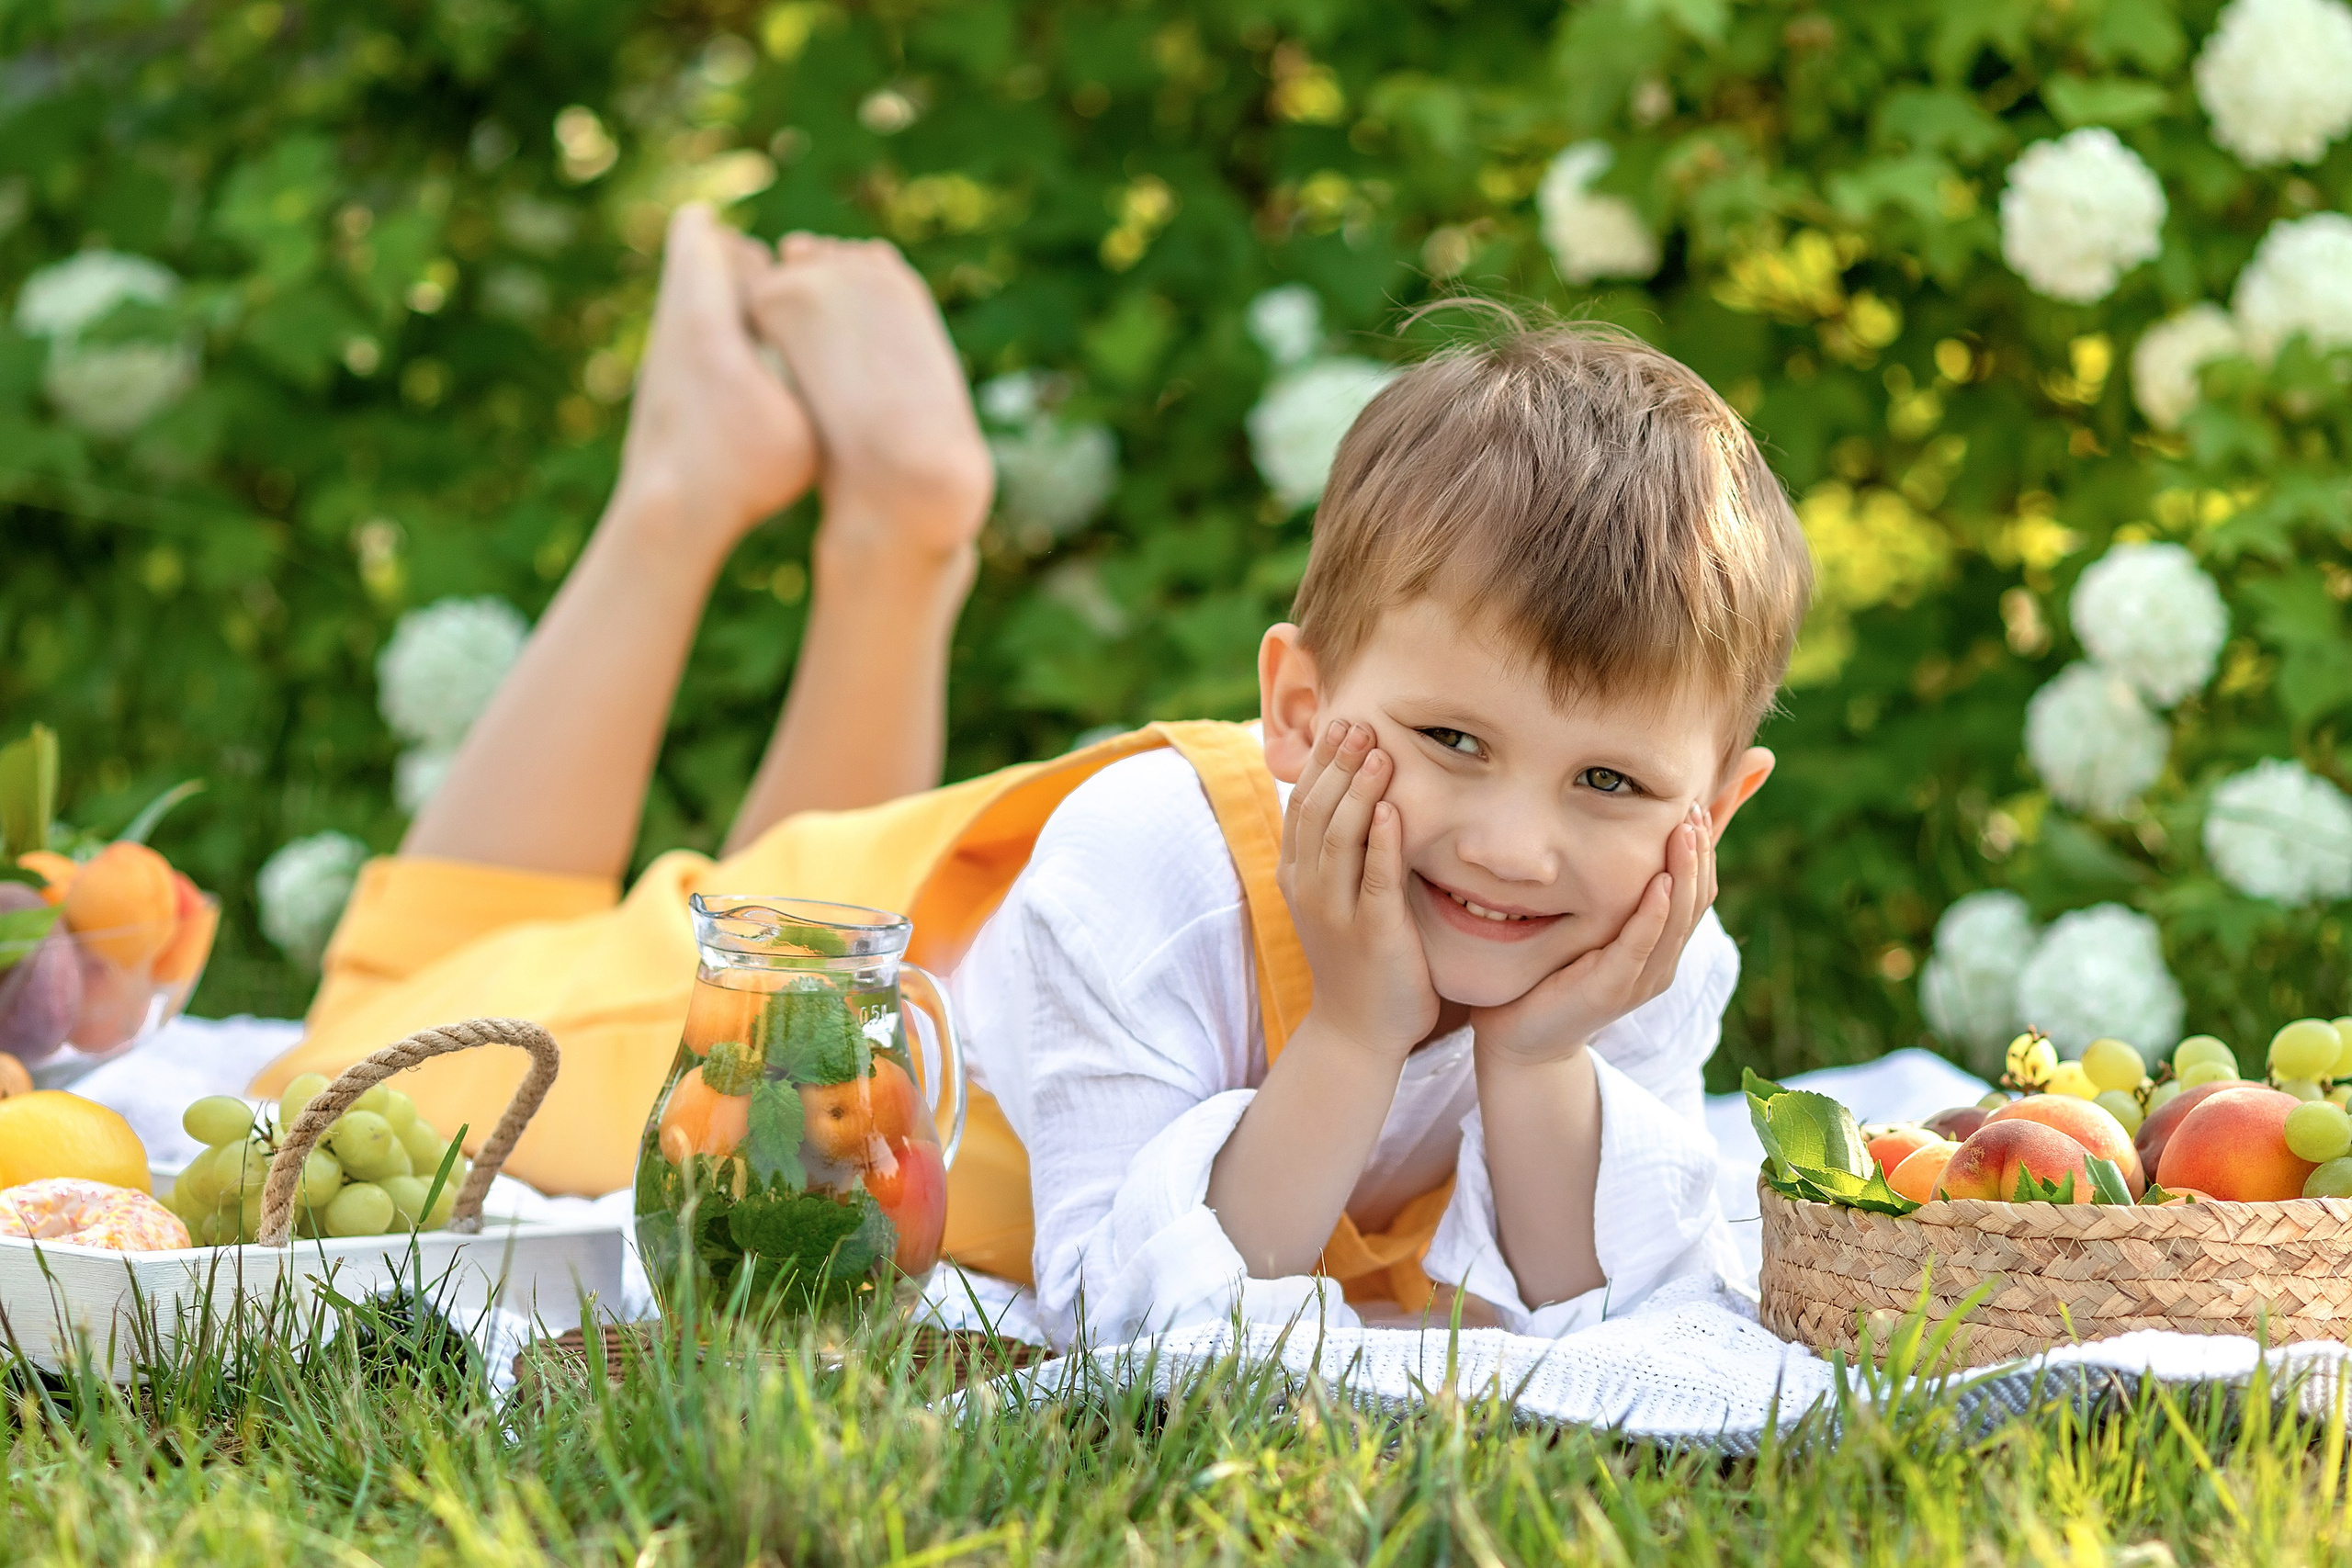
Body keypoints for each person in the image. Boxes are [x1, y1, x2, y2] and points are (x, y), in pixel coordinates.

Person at [255, 208, 1812, 1347]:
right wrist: (1355, 1028)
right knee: (336, 1073)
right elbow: (1140, 1314)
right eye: (1450, 741)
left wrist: (1537, 1064)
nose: (1517, 847)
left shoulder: (1634, 945)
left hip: (873, 943)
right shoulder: (1154, 881)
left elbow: (1606, 1312)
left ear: (1710, 810)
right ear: (1297, 702)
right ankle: (687, 488)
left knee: (757, 881)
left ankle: (892, 532)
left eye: (1608, 783)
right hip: (822, 1037)